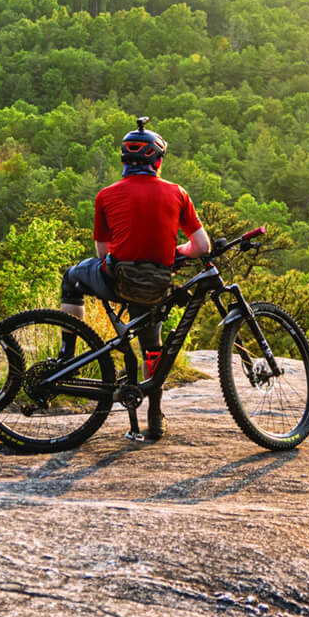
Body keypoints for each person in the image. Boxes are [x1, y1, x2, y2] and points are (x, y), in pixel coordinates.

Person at [58, 117, 210, 441]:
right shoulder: (177, 193)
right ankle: (154, 416)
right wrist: (173, 251)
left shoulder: (106, 195)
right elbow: (202, 247)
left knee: (71, 279)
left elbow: (102, 253)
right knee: (152, 348)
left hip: (120, 281)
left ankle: (66, 355)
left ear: (125, 160)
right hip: (157, 284)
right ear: (157, 160)